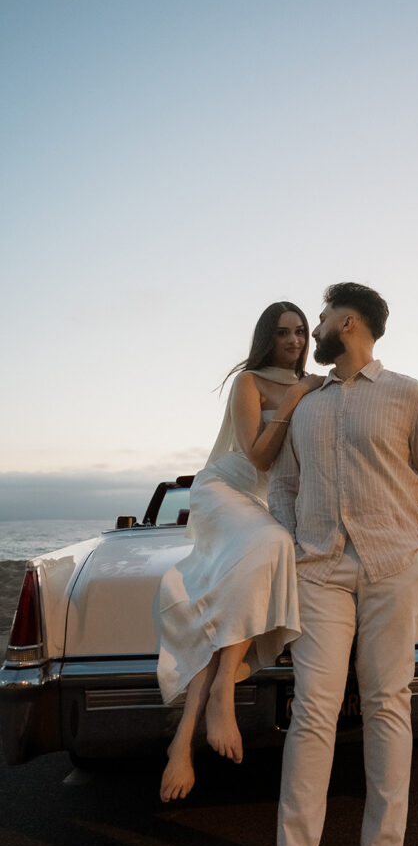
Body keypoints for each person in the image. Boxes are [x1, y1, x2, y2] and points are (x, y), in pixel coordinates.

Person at [248, 283, 418, 846]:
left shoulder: (410, 394)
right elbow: (281, 483)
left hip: (393, 569)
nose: (311, 330)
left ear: (347, 322)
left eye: (320, 318)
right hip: (320, 573)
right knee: (312, 715)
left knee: (387, 708)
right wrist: (290, 545)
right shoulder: (306, 402)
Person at [156, 302, 322, 803]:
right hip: (226, 489)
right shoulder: (250, 382)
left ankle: (181, 742)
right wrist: (293, 401)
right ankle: (224, 689)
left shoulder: (317, 384)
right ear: (266, 339)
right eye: (282, 333)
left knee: (237, 586)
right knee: (271, 543)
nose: (294, 340)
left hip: (270, 499)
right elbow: (256, 455)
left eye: (300, 331)